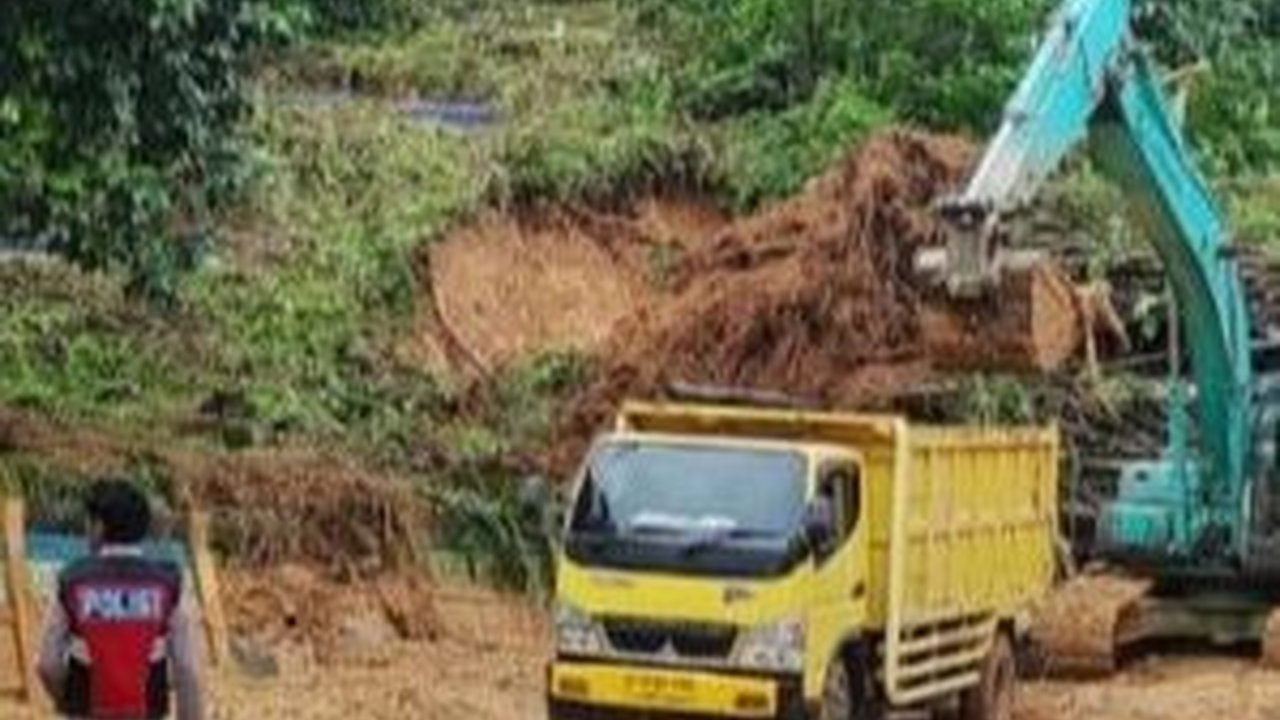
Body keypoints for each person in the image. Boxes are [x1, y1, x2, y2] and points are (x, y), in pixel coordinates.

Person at [36, 479, 204, 720]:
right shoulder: (168, 583)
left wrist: (69, 701)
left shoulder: (72, 580)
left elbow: (47, 664)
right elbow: (189, 669)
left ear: (99, 527)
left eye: (88, 522)